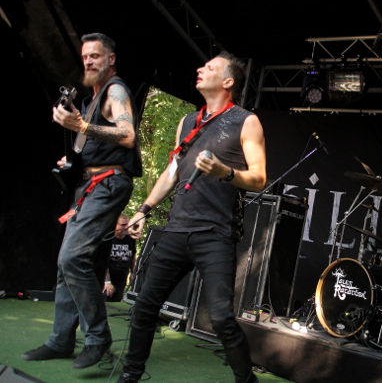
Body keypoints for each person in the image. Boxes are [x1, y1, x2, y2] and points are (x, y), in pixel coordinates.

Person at [116, 51, 266, 383]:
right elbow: (172, 171)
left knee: (222, 319)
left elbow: (259, 178)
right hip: (176, 229)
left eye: (210, 67)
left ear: (228, 81)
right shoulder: (188, 122)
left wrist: (224, 172)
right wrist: (143, 210)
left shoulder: (246, 121)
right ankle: (130, 375)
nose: (200, 69)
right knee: (144, 307)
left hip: (215, 234)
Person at [22, 33, 142, 369]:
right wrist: (73, 160)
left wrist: (82, 125)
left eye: (95, 56)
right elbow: (90, 144)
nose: (88, 61)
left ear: (111, 59)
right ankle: (61, 340)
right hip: (89, 184)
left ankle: (97, 338)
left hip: (108, 184)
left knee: (72, 258)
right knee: (67, 263)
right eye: (85, 56)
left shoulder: (116, 90)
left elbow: (127, 134)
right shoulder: (91, 100)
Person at [103, 214, 137, 302]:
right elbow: (102, 261)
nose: (126, 227)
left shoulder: (130, 238)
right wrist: (107, 282)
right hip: (107, 278)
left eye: (127, 224)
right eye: (122, 225)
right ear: (115, 225)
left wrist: (133, 273)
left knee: (116, 302)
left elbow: (133, 256)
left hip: (121, 278)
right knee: (106, 300)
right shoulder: (108, 238)